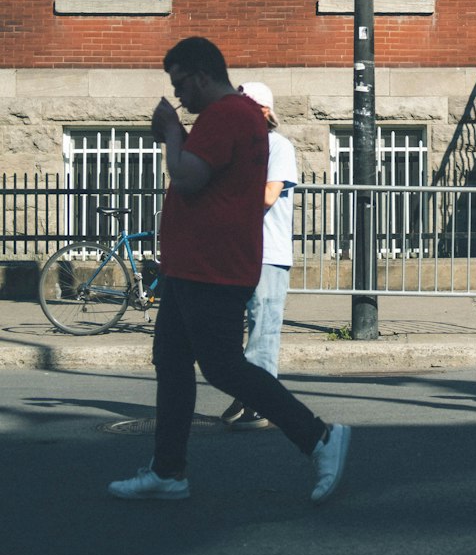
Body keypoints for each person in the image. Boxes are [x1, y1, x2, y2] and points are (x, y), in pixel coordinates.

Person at [108, 37, 350, 503]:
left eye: (180, 84)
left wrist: (172, 134)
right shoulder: (231, 117)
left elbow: (187, 177)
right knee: (174, 363)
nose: (178, 95)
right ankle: (167, 471)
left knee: (222, 367)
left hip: (211, 266)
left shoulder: (225, 116)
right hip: (193, 265)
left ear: (201, 75)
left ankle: (318, 437)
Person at [220, 82, 298, 429]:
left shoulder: (278, 147)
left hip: (268, 252)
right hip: (235, 251)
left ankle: (260, 402)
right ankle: (249, 390)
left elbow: (268, 195)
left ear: (263, 112)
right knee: (226, 329)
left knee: (263, 328)